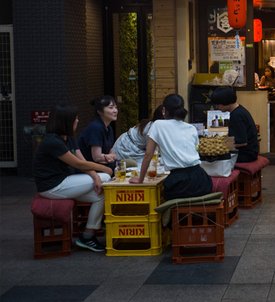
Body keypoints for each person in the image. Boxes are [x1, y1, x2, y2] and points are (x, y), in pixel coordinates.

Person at [33, 105, 114, 252]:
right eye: (75, 118)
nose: (77, 120)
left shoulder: (69, 137)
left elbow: (82, 162)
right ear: (66, 121)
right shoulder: (52, 141)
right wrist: (104, 170)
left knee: (100, 194)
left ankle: (88, 237)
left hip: (65, 182)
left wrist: (95, 176)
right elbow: (77, 163)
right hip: (52, 187)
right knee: (106, 177)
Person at [129, 94, 212, 200]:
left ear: (164, 110)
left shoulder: (158, 125)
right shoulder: (191, 128)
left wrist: (140, 179)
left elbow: (148, 155)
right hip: (201, 180)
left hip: (178, 182)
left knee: (163, 197)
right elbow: (196, 150)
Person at [211, 86, 259, 163]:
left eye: (218, 104)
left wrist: (219, 146)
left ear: (225, 101)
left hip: (246, 154)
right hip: (250, 151)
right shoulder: (239, 110)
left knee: (211, 156)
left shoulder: (236, 115)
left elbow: (242, 142)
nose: (216, 107)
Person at [78, 95, 118, 172]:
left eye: (115, 107)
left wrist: (110, 156)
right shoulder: (96, 128)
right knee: (126, 166)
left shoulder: (109, 128)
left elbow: (111, 150)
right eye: (111, 108)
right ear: (99, 111)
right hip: (89, 168)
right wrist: (111, 157)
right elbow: (97, 157)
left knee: (126, 165)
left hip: (103, 164)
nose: (115, 110)